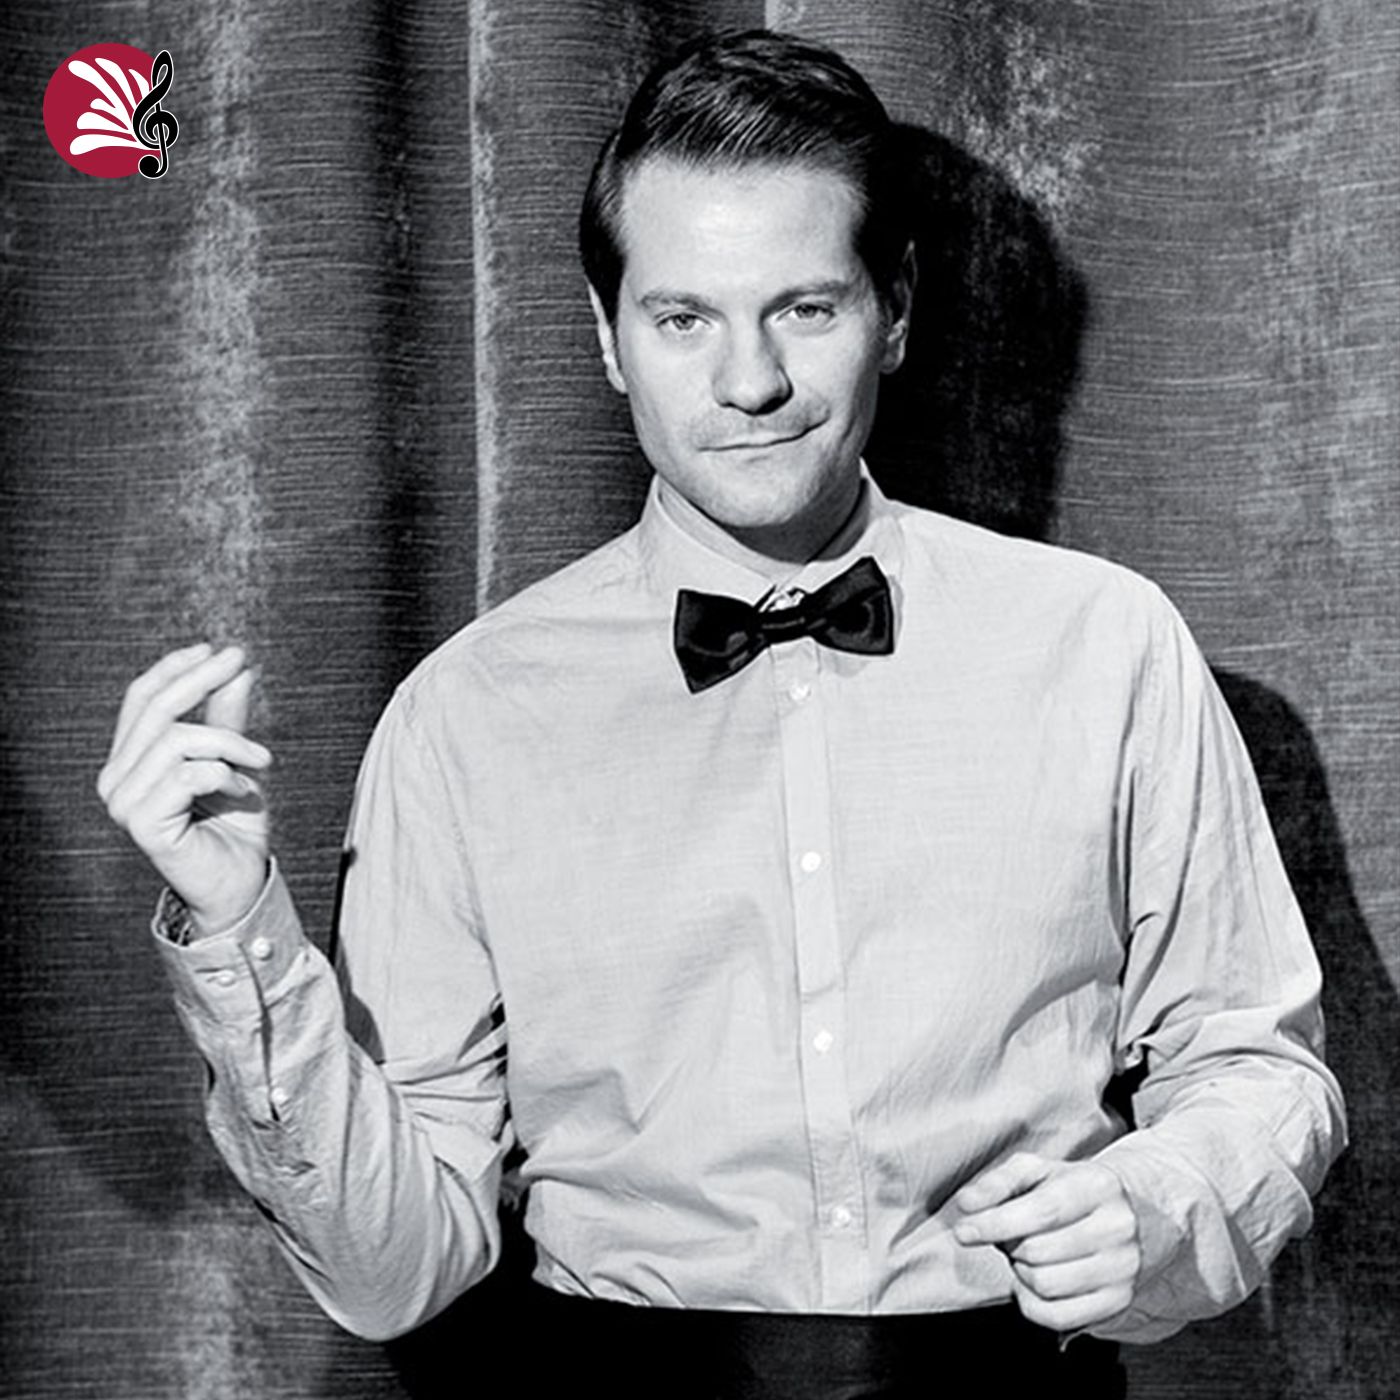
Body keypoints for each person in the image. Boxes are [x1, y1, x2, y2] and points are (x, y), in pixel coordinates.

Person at [98, 30, 1344, 1399]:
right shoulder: (463, 718)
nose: (749, 382)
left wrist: (1161, 1207)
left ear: (895, 309)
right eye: (683, 319)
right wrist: (241, 931)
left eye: (803, 309)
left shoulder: (1107, 646)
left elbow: (1256, 1064)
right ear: (608, 339)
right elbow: (398, 1272)